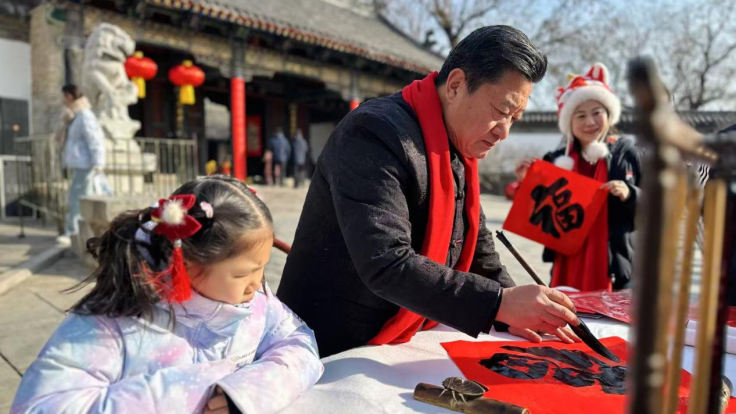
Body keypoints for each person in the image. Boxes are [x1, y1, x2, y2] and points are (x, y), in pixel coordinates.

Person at [277, 25, 581, 358]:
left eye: (515, 118)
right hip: (330, 342)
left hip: (405, 335)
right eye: (501, 112)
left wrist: (515, 306)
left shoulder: (459, 145)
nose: (504, 132)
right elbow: (386, 262)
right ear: (456, 85)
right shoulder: (373, 132)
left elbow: (478, 250)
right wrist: (497, 303)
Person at [11, 175, 323, 414]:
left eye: (262, 269)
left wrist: (245, 393)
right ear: (186, 265)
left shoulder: (256, 305)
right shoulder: (117, 318)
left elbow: (299, 342)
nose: (256, 284)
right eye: (243, 274)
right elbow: (40, 406)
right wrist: (193, 389)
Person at [542, 63, 642, 291]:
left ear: (609, 114)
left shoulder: (628, 153)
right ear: (569, 122)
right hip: (567, 259)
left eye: (597, 113)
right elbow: (541, 214)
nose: (589, 122)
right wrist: (526, 182)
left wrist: (630, 193)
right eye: (580, 115)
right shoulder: (556, 159)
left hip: (616, 261)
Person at [59, 84, 106, 242]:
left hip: (85, 165)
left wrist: (98, 163)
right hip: (80, 164)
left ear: (69, 96)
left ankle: (74, 233)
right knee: (77, 199)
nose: (63, 100)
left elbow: (95, 140)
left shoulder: (85, 116)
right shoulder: (76, 116)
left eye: (64, 96)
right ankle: (75, 233)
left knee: (77, 201)